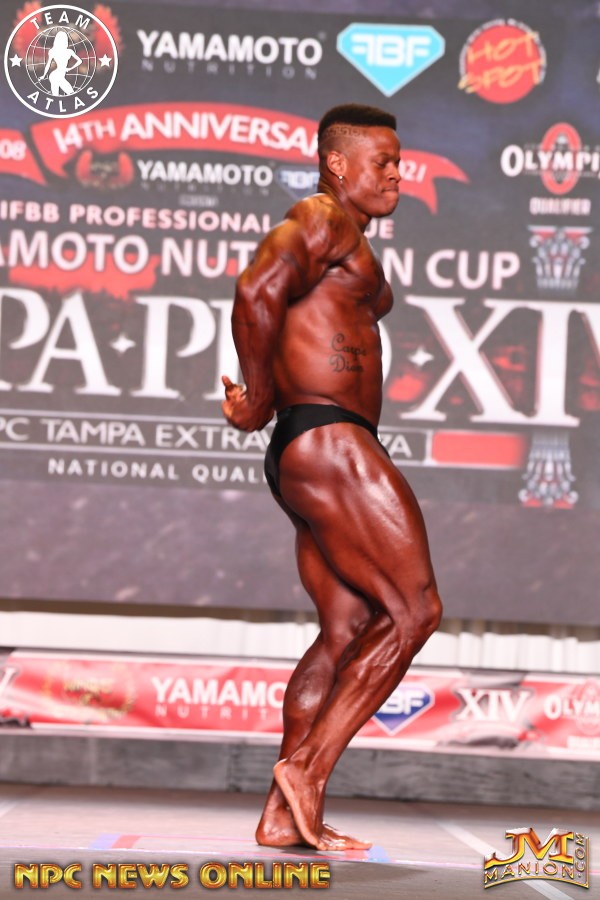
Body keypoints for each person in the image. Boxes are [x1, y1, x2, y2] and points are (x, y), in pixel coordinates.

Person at [222, 104, 442, 851]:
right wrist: (257, 395)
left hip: (311, 445)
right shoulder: (320, 218)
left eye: (399, 162)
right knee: (415, 611)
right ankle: (307, 772)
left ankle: (281, 815)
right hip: (329, 437)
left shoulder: (348, 238)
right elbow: (257, 291)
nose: (397, 175)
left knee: (347, 631)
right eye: (383, 162)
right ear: (336, 164)